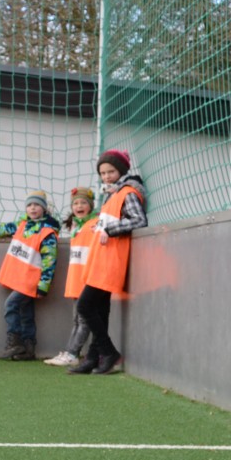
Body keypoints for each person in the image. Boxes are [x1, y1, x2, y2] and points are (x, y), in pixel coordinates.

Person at [69, 149, 147, 375]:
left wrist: (110, 229)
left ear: (121, 170)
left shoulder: (128, 193)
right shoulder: (113, 195)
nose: (106, 177)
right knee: (100, 310)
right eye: (102, 173)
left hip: (111, 260)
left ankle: (108, 351)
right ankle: (93, 358)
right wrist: (99, 227)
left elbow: (139, 220)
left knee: (85, 306)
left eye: (111, 171)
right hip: (101, 259)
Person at [0, 189, 59, 361]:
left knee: (10, 305)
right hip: (20, 279)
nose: (33, 208)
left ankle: (15, 342)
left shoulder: (47, 233)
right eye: (29, 205)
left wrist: (43, 285)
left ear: (44, 209)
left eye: (36, 205)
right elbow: (2, 229)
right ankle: (28, 348)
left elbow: (50, 260)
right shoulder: (21, 225)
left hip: (31, 281)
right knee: (26, 313)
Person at [44, 186, 98, 367]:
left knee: (83, 319)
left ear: (91, 205)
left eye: (83, 202)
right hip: (76, 280)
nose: (79, 206)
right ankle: (70, 352)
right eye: (76, 203)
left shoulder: (95, 225)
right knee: (77, 319)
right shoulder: (77, 226)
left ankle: (73, 353)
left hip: (87, 280)